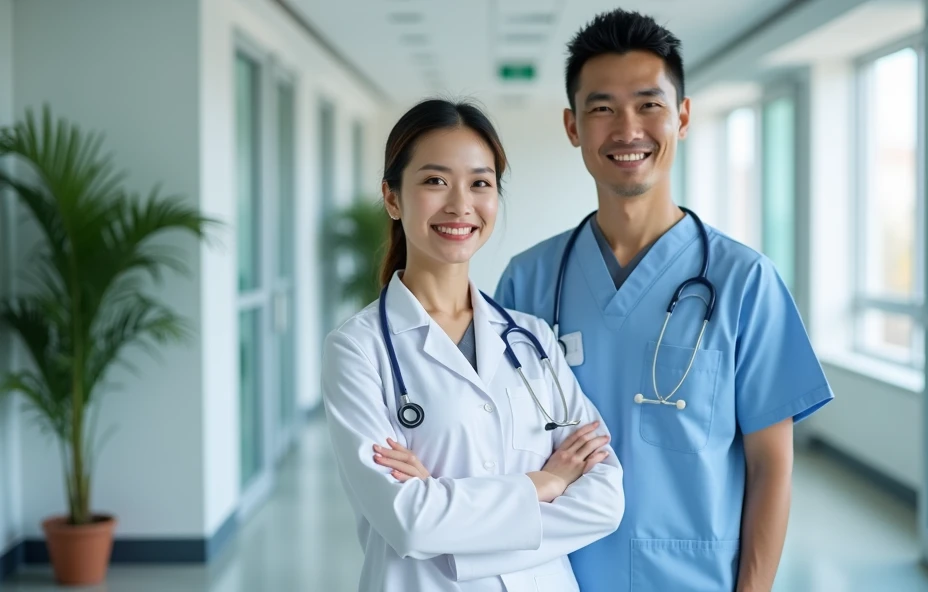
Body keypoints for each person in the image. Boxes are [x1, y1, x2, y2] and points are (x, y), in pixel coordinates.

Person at [493, 10, 835, 592]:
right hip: (552, 578)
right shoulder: (529, 281)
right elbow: (494, 442)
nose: (627, 129)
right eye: (602, 108)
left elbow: (771, 464)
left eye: (649, 104)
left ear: (682, 116)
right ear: (573, 126)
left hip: (694, 579)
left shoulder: (745, 281)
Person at [321, 98, 625, 592]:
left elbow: (605, 501)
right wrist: (543, 484)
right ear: (392, 198)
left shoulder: (533, 340)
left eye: (480, 183)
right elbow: (408, 521)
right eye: (435, 181)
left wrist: (443, 502)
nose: (461, 204)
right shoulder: (358, 350)